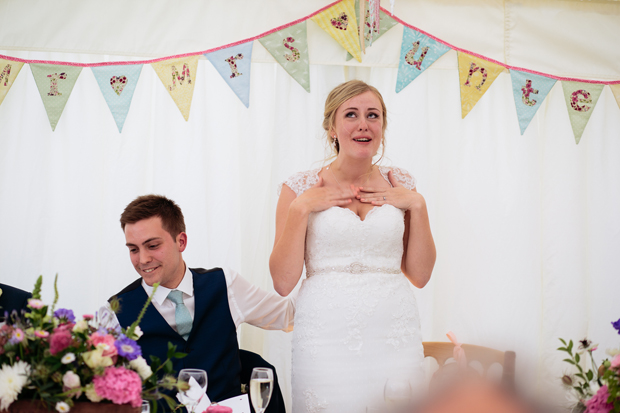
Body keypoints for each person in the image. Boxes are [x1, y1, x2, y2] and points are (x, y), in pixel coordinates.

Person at [269, 80, 436, 412]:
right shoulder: (299, 187)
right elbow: (283, 281)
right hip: (324, 337)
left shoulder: (401, 184)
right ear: (332, 126)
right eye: (351, 115)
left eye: (373, 115)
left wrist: (417, 204)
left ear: (383, 127)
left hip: (393, 334)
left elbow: (419, 275)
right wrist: (302, 207)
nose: (363, 124)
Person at [105, 195, 293, 412]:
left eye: (153, 245)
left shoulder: (226, 284)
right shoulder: (116, 311)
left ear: (181, 241)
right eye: (134, 249)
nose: (143, 259)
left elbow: (288, 315)